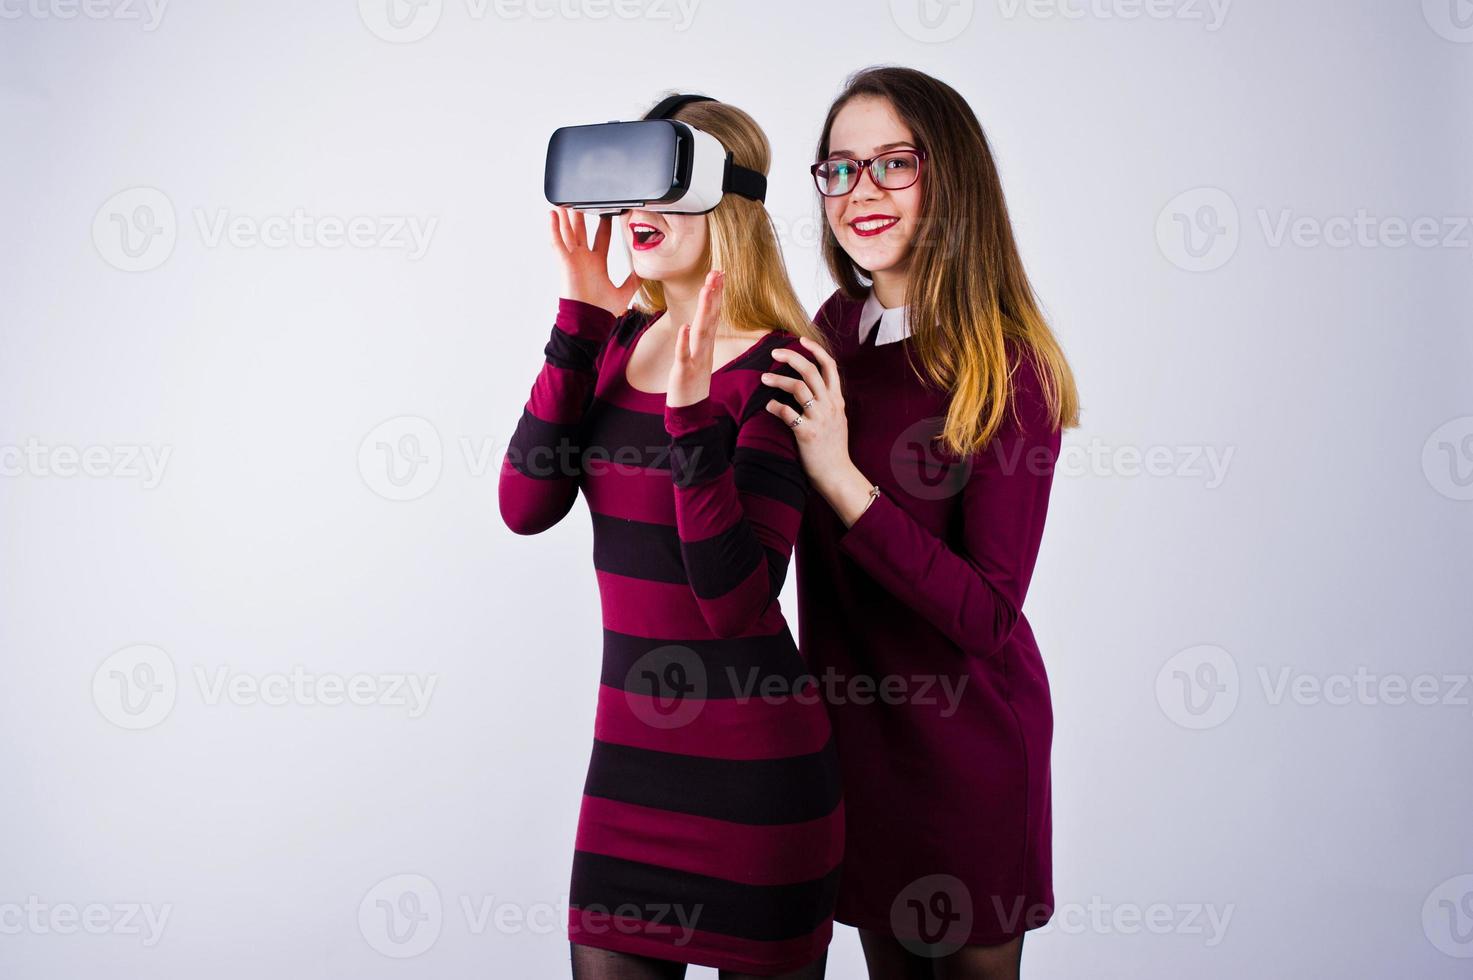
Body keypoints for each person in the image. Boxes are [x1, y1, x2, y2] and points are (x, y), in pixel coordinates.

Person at [499, 95, 841, 980]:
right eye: (626, 193)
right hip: (629, 774)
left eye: (665, 186)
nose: (636, 216)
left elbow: (735, 600)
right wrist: (578, 321)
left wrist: (693, 418)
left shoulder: (784, 365)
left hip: (757, 780)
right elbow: (524, 505)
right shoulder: (614, 344)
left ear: (726, 197)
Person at [761, 67, 1080, 980]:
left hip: (965, 751)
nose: (860, 192)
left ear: (951, 180)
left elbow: (986, 614)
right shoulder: (830, 331)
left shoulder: (1007, 366)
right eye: (840, 169)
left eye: (893, 164)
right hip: (853, 748)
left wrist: (840, 475)